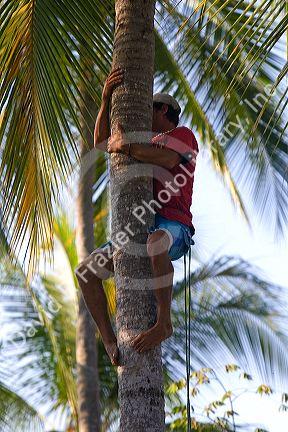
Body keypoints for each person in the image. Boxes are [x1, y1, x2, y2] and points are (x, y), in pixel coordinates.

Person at [75, 67, 199, 366]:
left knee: (156, 241)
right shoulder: (148, 140)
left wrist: (127, 146)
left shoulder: (181, 135)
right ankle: (108, 339)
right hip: (144, 224)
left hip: (174, 224)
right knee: (87, 272)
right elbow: (104, 143)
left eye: (150, 108)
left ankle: (164, 323)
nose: (145, 114)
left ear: (165, 109)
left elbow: (168, 160)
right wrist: (106, 99)